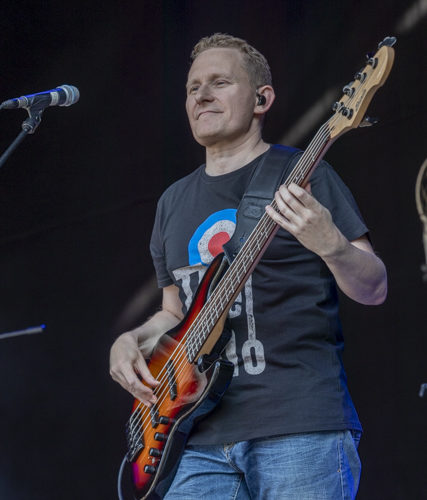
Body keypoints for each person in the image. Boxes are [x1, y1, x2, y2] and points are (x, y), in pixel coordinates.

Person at [110, 33, 387, 499]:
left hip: (298, 425)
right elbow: (175, 312)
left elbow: (375, 288)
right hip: (194, 436)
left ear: (262, 99)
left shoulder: (305, 175)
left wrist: (333, 245)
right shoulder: (172, 202)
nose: (201, 95)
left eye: (220, 82)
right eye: (193, 87)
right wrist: (131, 340)